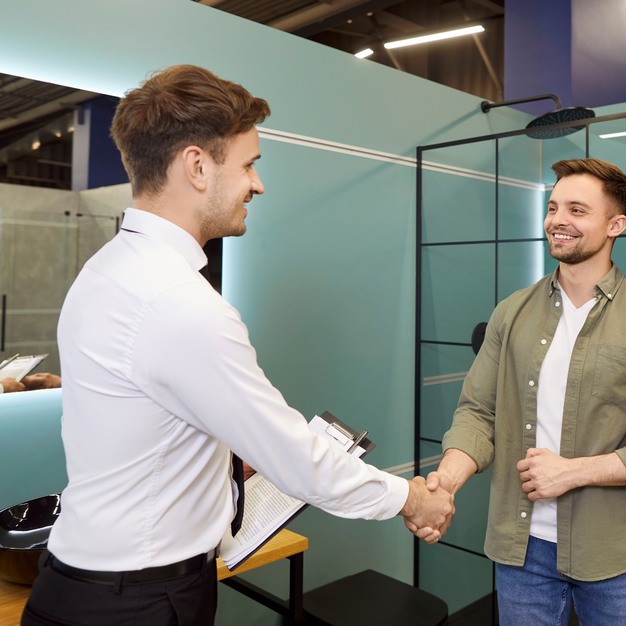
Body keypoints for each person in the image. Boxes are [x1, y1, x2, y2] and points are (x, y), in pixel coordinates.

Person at [21, 64, 453, 626]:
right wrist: (412, 499)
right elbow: (295, 458)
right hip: (137, 605)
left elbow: (145, 419)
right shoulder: (180, 302)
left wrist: (218, 457)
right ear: (197, 166)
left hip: (81, 587)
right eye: (248, 164)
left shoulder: (104, 270)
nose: (258, 184)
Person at [422, 158, 626, 625]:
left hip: (612, 552)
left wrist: (572, 472)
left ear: (616, 225)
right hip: (522, 552)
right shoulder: (511, 312)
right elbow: (478, 412)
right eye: (553, 207)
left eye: (577, 210)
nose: (558, 220)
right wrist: (444, 484)